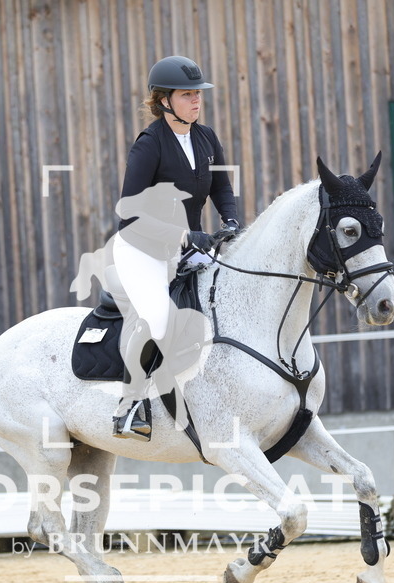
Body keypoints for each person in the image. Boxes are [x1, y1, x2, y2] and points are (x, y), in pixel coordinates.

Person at [111, 55, 241, 440]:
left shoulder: (205, 137)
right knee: (157, 318)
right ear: (164, 100)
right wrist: (185, 237)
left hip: (188, 247)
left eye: (198, 94)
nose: (197, 101)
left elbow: (221, 187)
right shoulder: (149, 145)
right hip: (142, 250)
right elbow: (128, 215)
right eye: (188, 95)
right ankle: (128, 405)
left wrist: (231, 221)